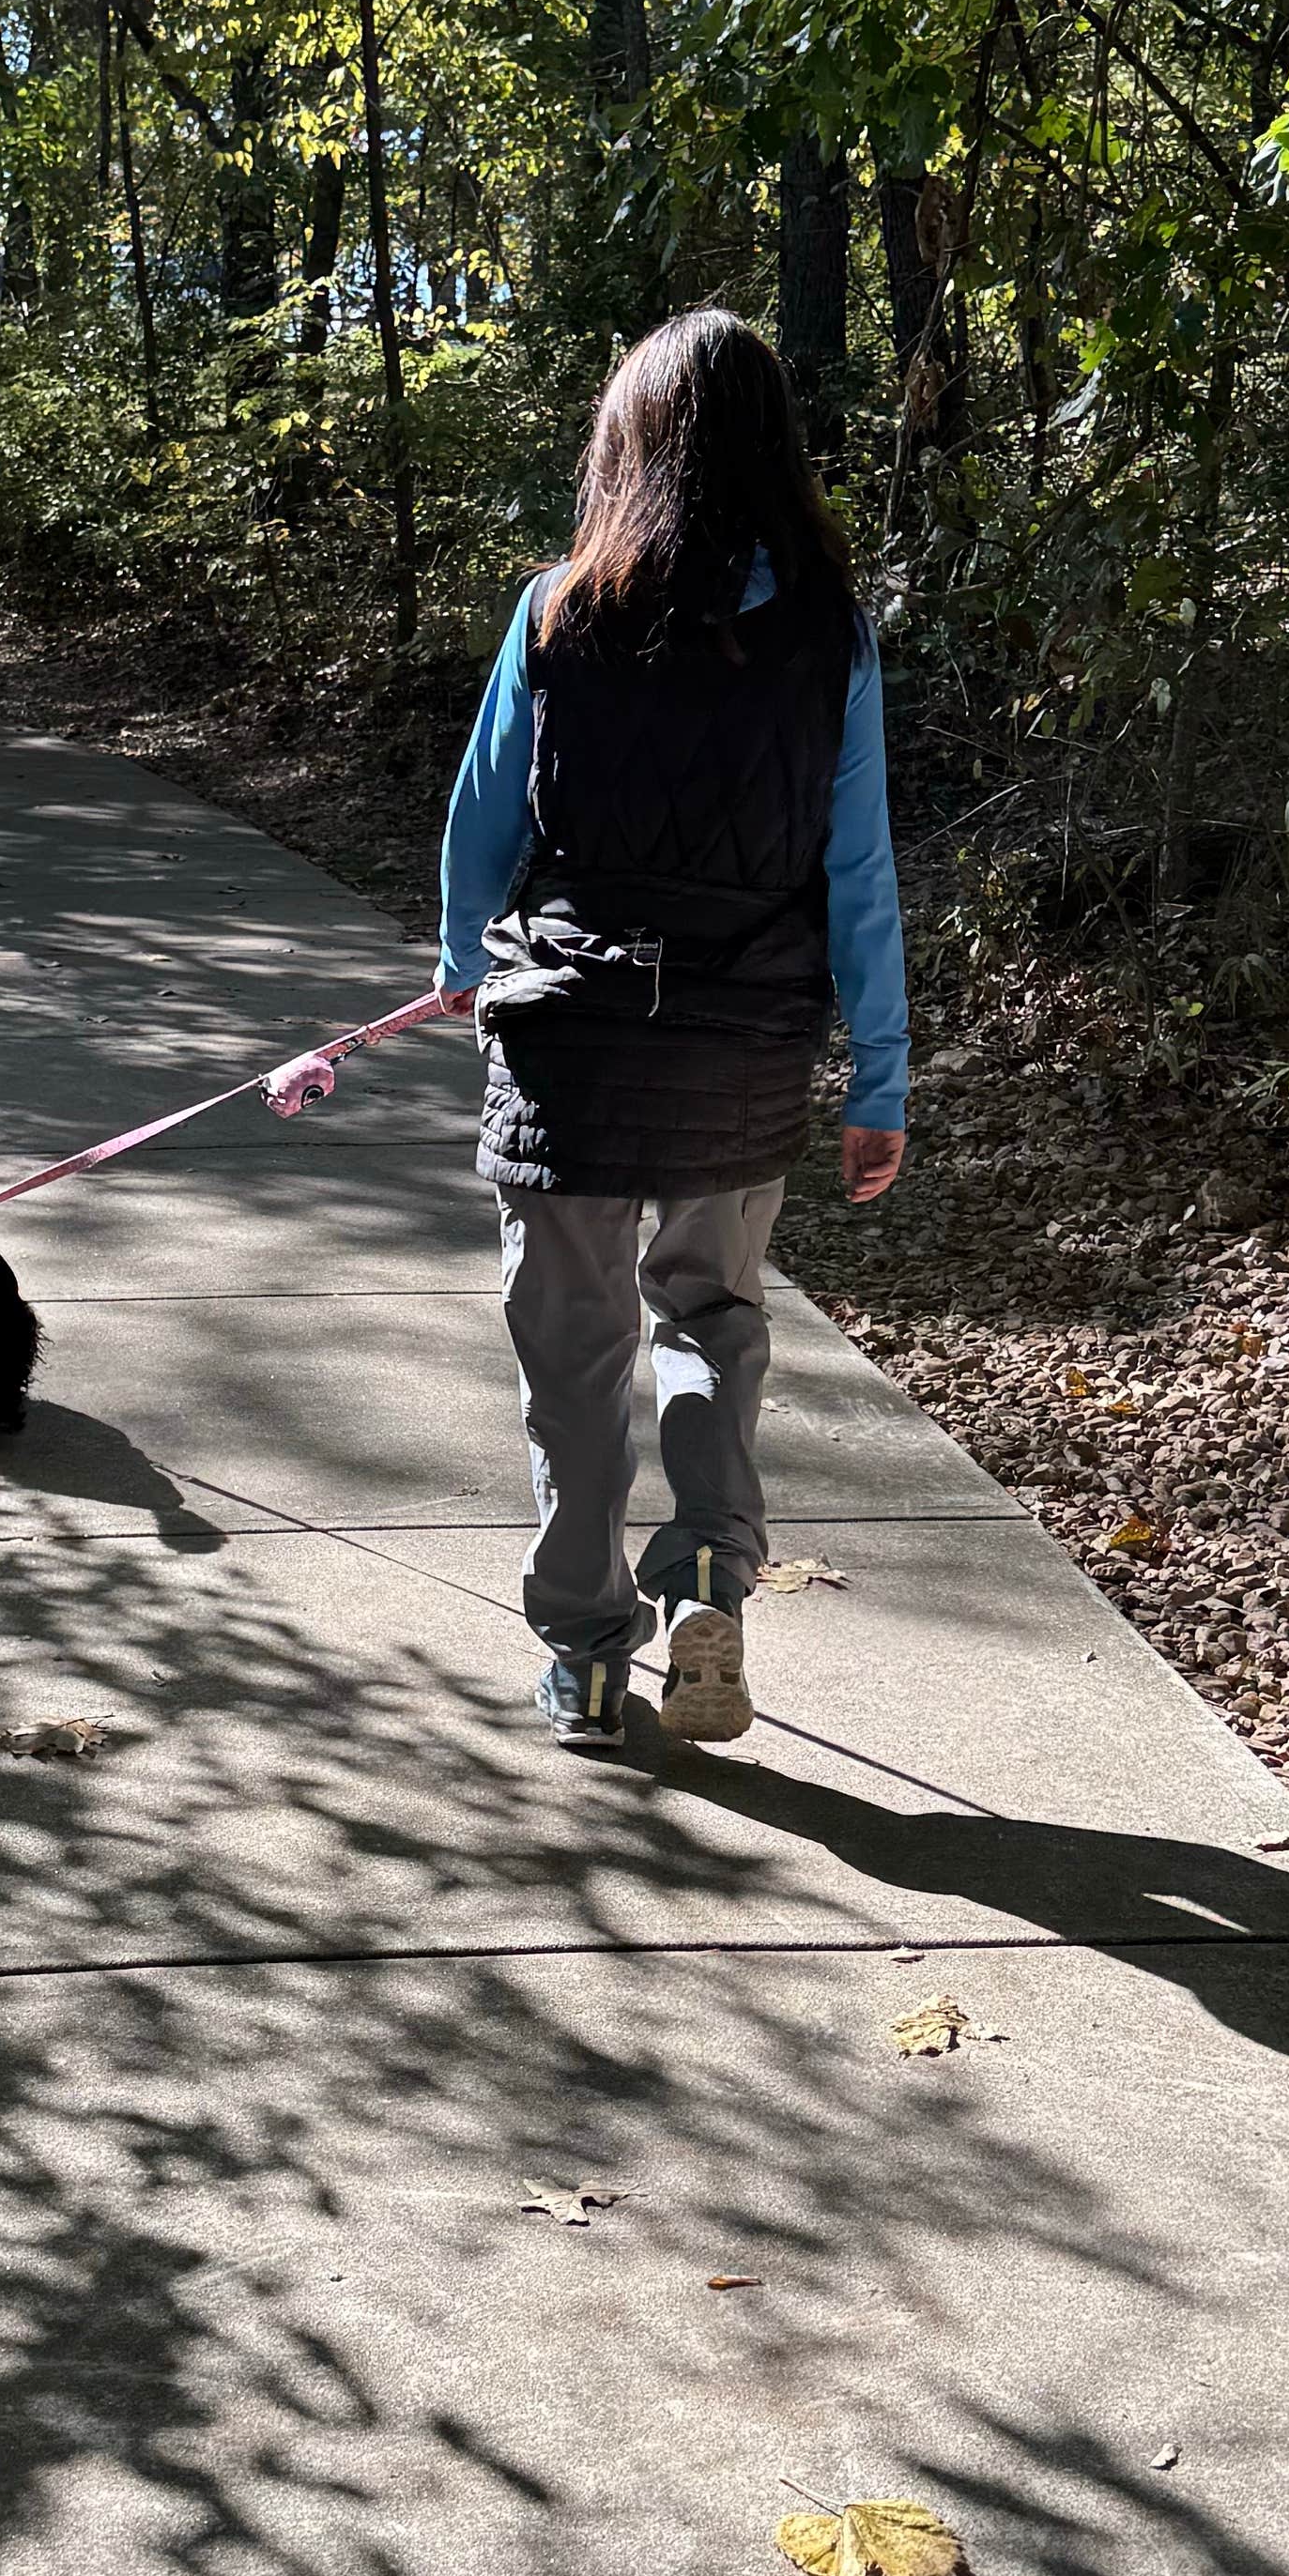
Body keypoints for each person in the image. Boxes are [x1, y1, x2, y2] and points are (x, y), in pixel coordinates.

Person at [434, 307, 908, 1764]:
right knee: (710, 1317)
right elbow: (860, 875)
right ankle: (708, 1560)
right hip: (744, 1042)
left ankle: (584, 1659)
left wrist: (465, 965)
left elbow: (482, 819)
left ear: (627, 445)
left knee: (571, 1357)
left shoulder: (557, 612)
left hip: (569, 1037)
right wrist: (878, 1079)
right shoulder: (832, 635)